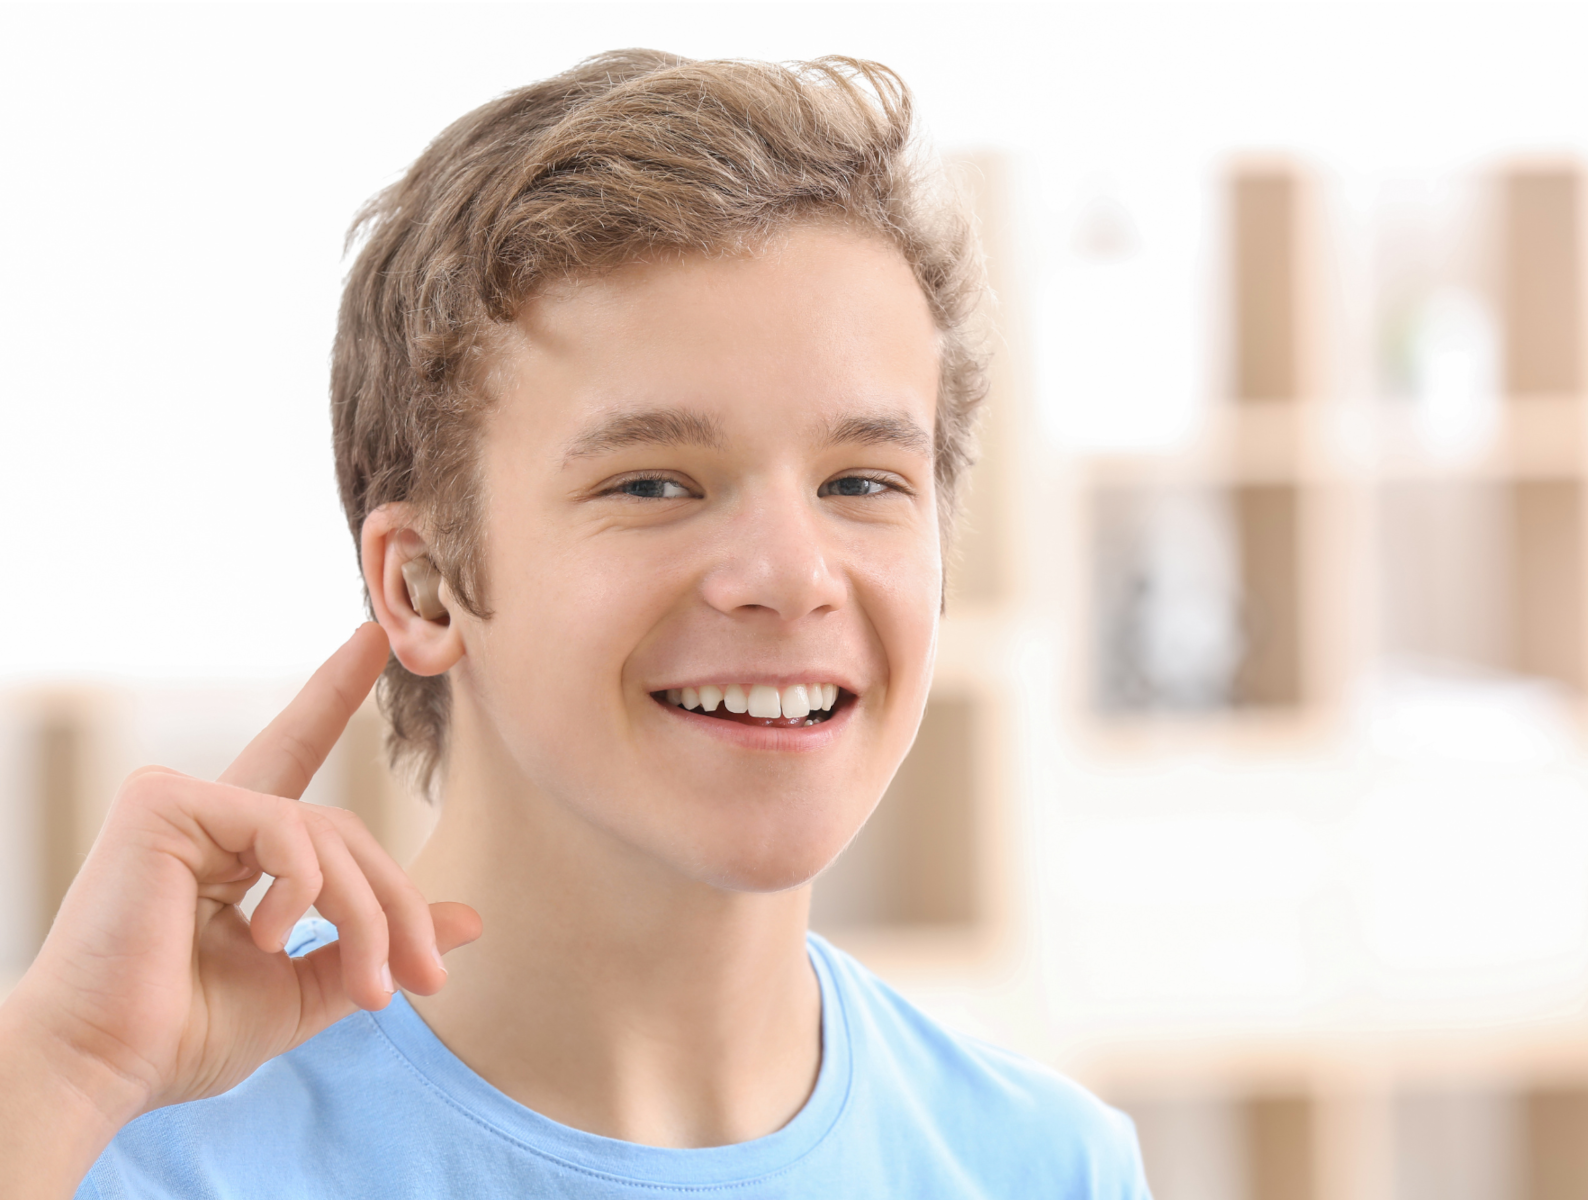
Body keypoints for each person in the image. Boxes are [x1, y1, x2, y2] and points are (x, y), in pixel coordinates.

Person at [0, 50, 1149, 1198]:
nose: (795, 577)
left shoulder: (1046, 1166)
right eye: (653, 484)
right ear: (425, 587)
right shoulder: (116, 1144)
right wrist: (59, 1077)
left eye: (862, 483)